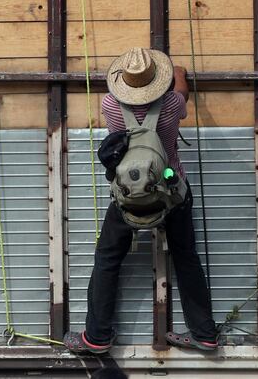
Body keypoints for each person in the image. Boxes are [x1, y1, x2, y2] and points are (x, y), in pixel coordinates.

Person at [64, 48, 218, 354]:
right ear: (156, 80)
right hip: (172, 192)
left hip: (128, 198)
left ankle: (96, 337)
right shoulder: (173, 103)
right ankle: (204, 334)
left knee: (107, 259)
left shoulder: (110, 104)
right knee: (186, 258)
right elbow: (182, 96)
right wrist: (180, 77)